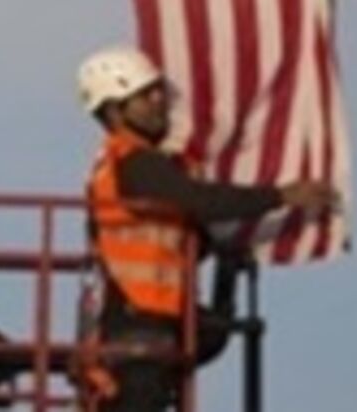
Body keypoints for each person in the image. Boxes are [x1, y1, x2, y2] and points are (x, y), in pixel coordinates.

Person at [75, 45, 339, 411]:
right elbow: (201, 200)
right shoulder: (135, 165)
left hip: (148, 325)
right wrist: (282, 195)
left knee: (215, 330)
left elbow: (189, 228)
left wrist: (223, 265)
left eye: (158, 92)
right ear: (115, 111)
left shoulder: (142, 167)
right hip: (134, 328)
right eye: (144, 95)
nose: (159, 102)